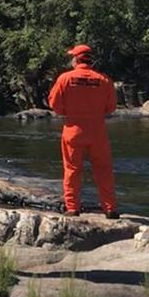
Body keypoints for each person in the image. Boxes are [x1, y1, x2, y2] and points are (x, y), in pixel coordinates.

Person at [48, 44, 118, 219]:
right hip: (97, 131)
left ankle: (72, 208)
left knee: (72, 170)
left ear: (76, 59)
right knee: (103, 170)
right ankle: (109, 208)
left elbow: (54, 105)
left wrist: (69, 112)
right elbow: (111, 107)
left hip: (73, 130)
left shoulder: (65, 78)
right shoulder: (104, 80)